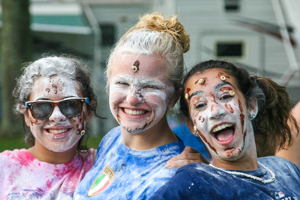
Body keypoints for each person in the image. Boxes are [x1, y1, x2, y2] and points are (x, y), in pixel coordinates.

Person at [74, 12, 207, 199]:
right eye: (122, 83)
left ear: (174, 95)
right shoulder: (112, 140)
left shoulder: (178, 177)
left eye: (150, 86)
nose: (133, 98)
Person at [149, 60, 300, 200]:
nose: (215, 112)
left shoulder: (285, 169)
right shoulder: (194, 182)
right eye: (200, 105)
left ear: (251, 106)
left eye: (225, 96)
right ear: (191, 125)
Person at [0, 56, 99, 199]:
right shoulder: (4, 168)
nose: (57, 116)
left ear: (88, 112)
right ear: (27, 116)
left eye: (71, 104)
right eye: (41, 107)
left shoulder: (104, 165)